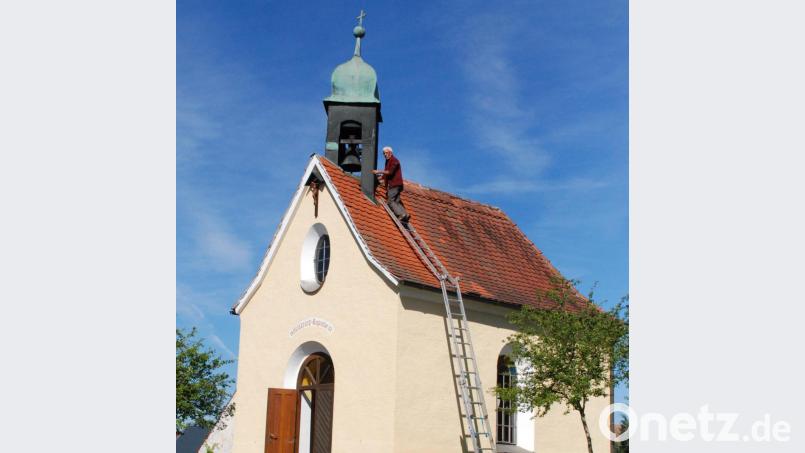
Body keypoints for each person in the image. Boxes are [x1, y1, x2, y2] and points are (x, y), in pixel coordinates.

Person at [372, 146, 410, 223]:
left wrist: (378, 171)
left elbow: (390, 172)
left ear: (390, 153)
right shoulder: (388, 161)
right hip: (396, 184)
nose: (385, 155)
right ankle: (406, 214)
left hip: (394, 184)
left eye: (386, 153)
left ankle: (401, 214)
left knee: (390, 201)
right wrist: (380, 178)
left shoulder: (394, 160)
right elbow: (386, 174)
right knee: (396, 201)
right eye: (384, 153)